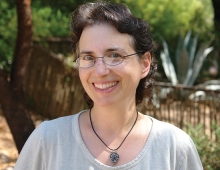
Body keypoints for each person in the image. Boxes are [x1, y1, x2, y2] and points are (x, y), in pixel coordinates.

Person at [14, 1, 203, 169]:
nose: (100, 71)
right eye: (88, 57)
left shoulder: (175, 148)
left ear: (144, 63)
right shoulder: (47, 141)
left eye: (114, 55)